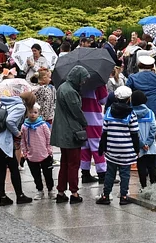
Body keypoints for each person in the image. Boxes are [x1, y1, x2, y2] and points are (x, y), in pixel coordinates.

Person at [51, 64, 89, 204]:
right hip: (71, 131)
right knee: (74, 163)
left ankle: (61, 191)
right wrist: (85, 123)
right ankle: (74, 192)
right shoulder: (71, 92)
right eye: (83, 79)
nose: (84, 82)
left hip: (62, 131)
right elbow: (76, 112)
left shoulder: (63, 87)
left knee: (65, 162)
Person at [96, 85, 139, 205]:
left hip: (111, 150)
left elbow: (104, 132)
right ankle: (123, 196)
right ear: (128, 99)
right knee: (125, 174)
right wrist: (136, 149)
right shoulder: (131, 114)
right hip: (127, 150)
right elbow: (134, 134)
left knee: (110, 174)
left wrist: (102, 147)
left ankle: (105, 195)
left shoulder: (109, 112)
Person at [20, 100, 54, 199]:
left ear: (38, 113)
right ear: (27, 113)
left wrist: (49, 150)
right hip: (31, 156)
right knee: (36, 175)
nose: (33, 114)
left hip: (44, 154)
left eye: (35, 112)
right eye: (30, 112)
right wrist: (25, 153)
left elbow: (48, 138)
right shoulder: (24, 127)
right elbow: (23, 141)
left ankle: (51, 189)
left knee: (48, 174)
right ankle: (40, 190)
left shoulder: (43, 125)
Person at [79, 77, 109, 185]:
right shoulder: (98, 81)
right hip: (94, 118)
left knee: (84, 146)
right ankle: (102, 174)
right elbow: (104, 100)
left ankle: (85, 173)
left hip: (81, 118)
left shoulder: (78, 81)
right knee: (98, 147)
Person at [131, 90, 156, 187]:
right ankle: (154, 186)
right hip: (151, 147)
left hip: (139, 147)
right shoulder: (150, 113)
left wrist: (141, 144)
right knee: (152, 166)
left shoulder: (131, 114)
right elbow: (154, 127)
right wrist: (148, 143)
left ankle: (143, 187)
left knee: (141, 166)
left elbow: (133, 132)